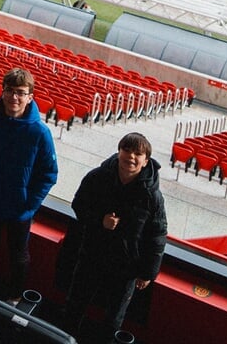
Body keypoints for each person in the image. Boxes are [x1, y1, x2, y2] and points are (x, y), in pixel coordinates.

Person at [60, 132, 168, 343]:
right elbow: (79, 205)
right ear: (119, 152)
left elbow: (158, 235)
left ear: (146, 161)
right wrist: (100, 220)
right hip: (93, 252)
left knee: (113, 319)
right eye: (127, 150)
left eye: (138, 153)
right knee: (75, 304)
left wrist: (148, 272)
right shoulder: (97, 177)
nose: (131, 157)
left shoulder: (152, 196)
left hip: (126, 266)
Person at [0, 68, 58, 300]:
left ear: (30, 97)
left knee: (18, 256)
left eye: (20, 92)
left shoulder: (40, 133)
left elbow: (49, 173)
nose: (14, 97)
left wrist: (29, 205)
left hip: (19, 210)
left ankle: (15, 296)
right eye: (9, 90)